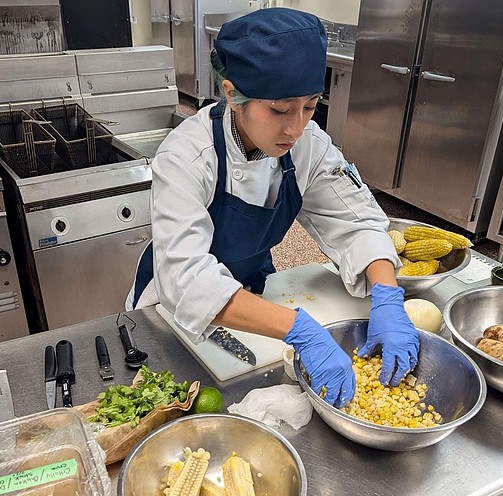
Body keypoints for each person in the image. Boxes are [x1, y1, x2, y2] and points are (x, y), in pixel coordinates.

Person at [128, 8, 419, 407]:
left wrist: (387, 294)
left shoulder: (308, 144)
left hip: (253, 292)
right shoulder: (187, 156)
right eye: (280, 110)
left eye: (311, 106)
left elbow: (357, 221)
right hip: (173, 317)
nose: (296, 128)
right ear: (233, 95)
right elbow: (187, 281)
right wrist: (300, 329)